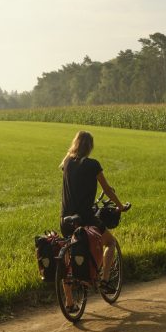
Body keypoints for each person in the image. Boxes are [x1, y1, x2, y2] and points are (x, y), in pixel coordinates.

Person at [59, 130, 129, 310]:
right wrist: (120, 206)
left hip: (65, 219)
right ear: (90, 147)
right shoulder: (92, 165)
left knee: (68, 259)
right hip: (85, 218)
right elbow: (107, 189)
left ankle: (69, 302)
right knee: (110, 242)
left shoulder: (66, 163)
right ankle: (105, 280)